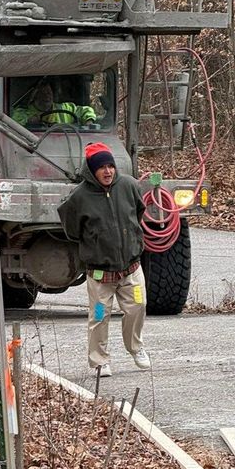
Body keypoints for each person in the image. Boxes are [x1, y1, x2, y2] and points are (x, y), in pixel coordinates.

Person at [58, 141, 150, 377]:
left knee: (137, 306)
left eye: (110, 166)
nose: (108, 171)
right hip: (100, 275)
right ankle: (99, 361)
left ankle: (136, 347)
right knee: (99, 316)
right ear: (91, 170)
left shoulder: (129, 186)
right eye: (102, 167)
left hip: (131, 269)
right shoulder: (79, 197)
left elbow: (139, 211)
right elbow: (71, 229)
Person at [11, 79, 97, 128]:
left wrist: (88, 120)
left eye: (49, 92)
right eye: (42, 93)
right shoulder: (23, 112)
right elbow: (13, 123)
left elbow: (85, 110)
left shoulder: (65, 108)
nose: (46, 96)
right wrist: (29, 121)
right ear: (34, 96)